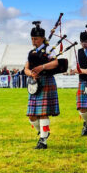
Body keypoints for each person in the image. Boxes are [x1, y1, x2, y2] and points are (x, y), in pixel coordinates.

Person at [24, 21, 60, 149]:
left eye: (36, 39)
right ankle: (44, 132)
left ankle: (43, 140)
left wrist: (42, 67)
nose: (34, 41)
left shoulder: (49, 50)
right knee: (31, 115)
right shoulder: (31, 53)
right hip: (34, 84)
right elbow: (26, 68)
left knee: (43, 113)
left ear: (42, 38)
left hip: (46, 81)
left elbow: (55, 63)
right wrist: (31, 74)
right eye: (32, 39)